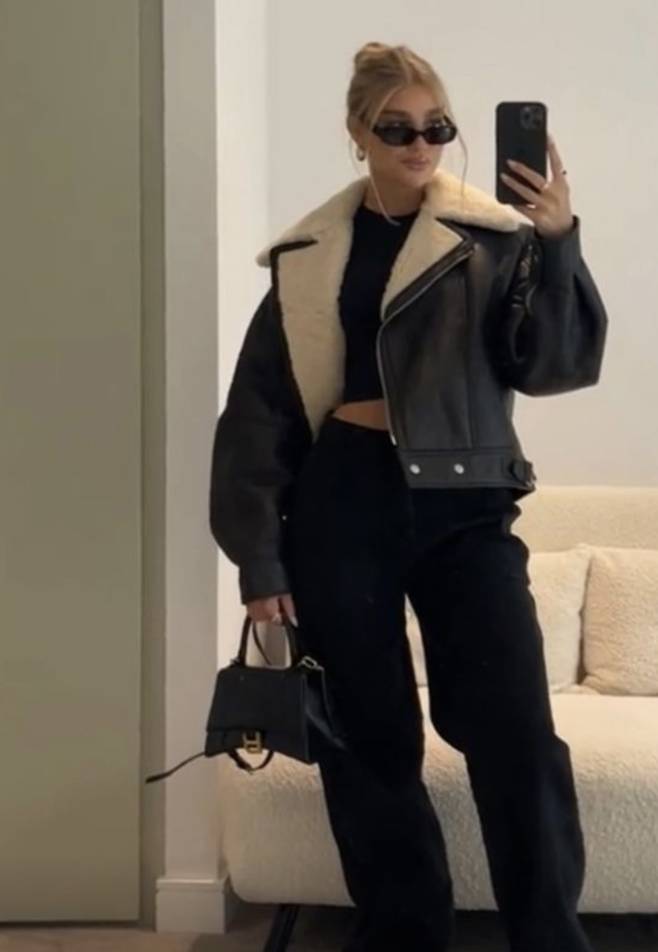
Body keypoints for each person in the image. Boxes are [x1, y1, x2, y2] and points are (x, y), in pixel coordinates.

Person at [209, 41, 608, 952]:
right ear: (358, 133)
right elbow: (259, 415)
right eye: (396, 129)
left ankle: (549, 938)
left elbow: (556, 367)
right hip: (341, 499)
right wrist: (260, 560)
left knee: (515, 732)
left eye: (436, 128)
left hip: (467, 507)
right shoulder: (308, 255)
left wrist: (557, 243)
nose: (420, 144)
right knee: (366, 737)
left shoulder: (493, 237)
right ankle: (404, 936)